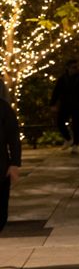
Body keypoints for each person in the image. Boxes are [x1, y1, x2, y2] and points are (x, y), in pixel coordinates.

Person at [51, 59, 79, 152]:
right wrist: (53, 103)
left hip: (77, 104)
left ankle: (75, 144)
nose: (75, 69)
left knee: (76, 124)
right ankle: (68, 139)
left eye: (76, 67)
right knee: (60, 122)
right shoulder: (63, 79)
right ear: (68, 68)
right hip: (65, 104)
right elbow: (56, 91)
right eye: (73, 67)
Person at [0, 80, 20, 234]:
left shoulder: (3, 108)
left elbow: (13, 137)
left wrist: (14, 163)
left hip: (1, 166)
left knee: (1, 214)